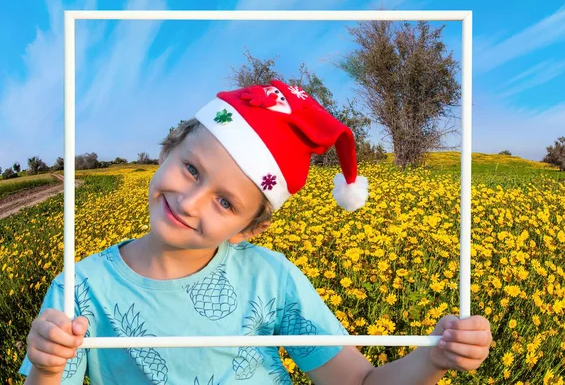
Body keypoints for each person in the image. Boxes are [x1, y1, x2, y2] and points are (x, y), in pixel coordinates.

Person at [20, 80, 492, 384]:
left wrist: (434, 358)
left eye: (226, 202)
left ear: (250, 228)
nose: (188, 201)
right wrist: (45, 367)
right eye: (190, 168)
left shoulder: (272, 279)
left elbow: (359, 383)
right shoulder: (78, 291)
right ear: (166, 150)